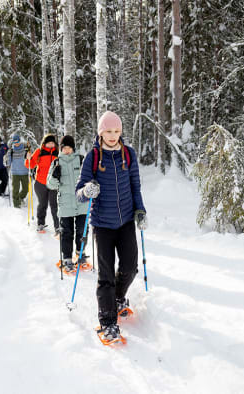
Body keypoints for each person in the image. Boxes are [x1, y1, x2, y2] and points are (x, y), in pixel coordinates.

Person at [76, 111, 147, 342]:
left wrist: (140, 210)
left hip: (126, 221)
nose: (113, 136)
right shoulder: (93, 157)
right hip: (103, 224)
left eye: (117, 131)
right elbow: (79, 193)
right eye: (108, 131)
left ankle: (118, 297)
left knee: (130, 266)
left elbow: (135, 185)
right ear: (101, 132)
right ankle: (107, 323)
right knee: (105, 276)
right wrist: (87, 191)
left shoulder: (128, 154)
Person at [46, 135, 88, 272]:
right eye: (64, 148)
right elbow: (50, 185)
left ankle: (79, 253)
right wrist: (54, 176)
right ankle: (67, 258)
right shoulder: (56, 163)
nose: (67, 150)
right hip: (65, 204)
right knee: (66, 233)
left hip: (82, 203)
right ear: (61, 148)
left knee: (82, 231)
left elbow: (90, 178)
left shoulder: (81, 160)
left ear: (73, 148)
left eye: (69, 148)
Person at [25, 134, 59, 235]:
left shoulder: (58, 153)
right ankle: (40, 224)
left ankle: (57, 226)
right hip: (40, 183)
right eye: (48, 143)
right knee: (42, 204)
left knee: (54, 205)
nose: (50, 144)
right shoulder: (39, 152)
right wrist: (28, 159)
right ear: (44, 143)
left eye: (52, 143)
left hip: (53, 184)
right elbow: (29, 165)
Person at [6, 134, 30, 207]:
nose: (16, 143)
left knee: (26, 189)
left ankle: (20, 198)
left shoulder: (25, 150)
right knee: (15, 190)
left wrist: (29, 157)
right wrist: (6, 160)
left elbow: (29, 160)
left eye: (17, 141)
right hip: (15, 173)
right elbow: (8, 163)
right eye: (14, 141)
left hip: (24, 172)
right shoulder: (11, 151)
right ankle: (16, 205)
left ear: (19, 141)